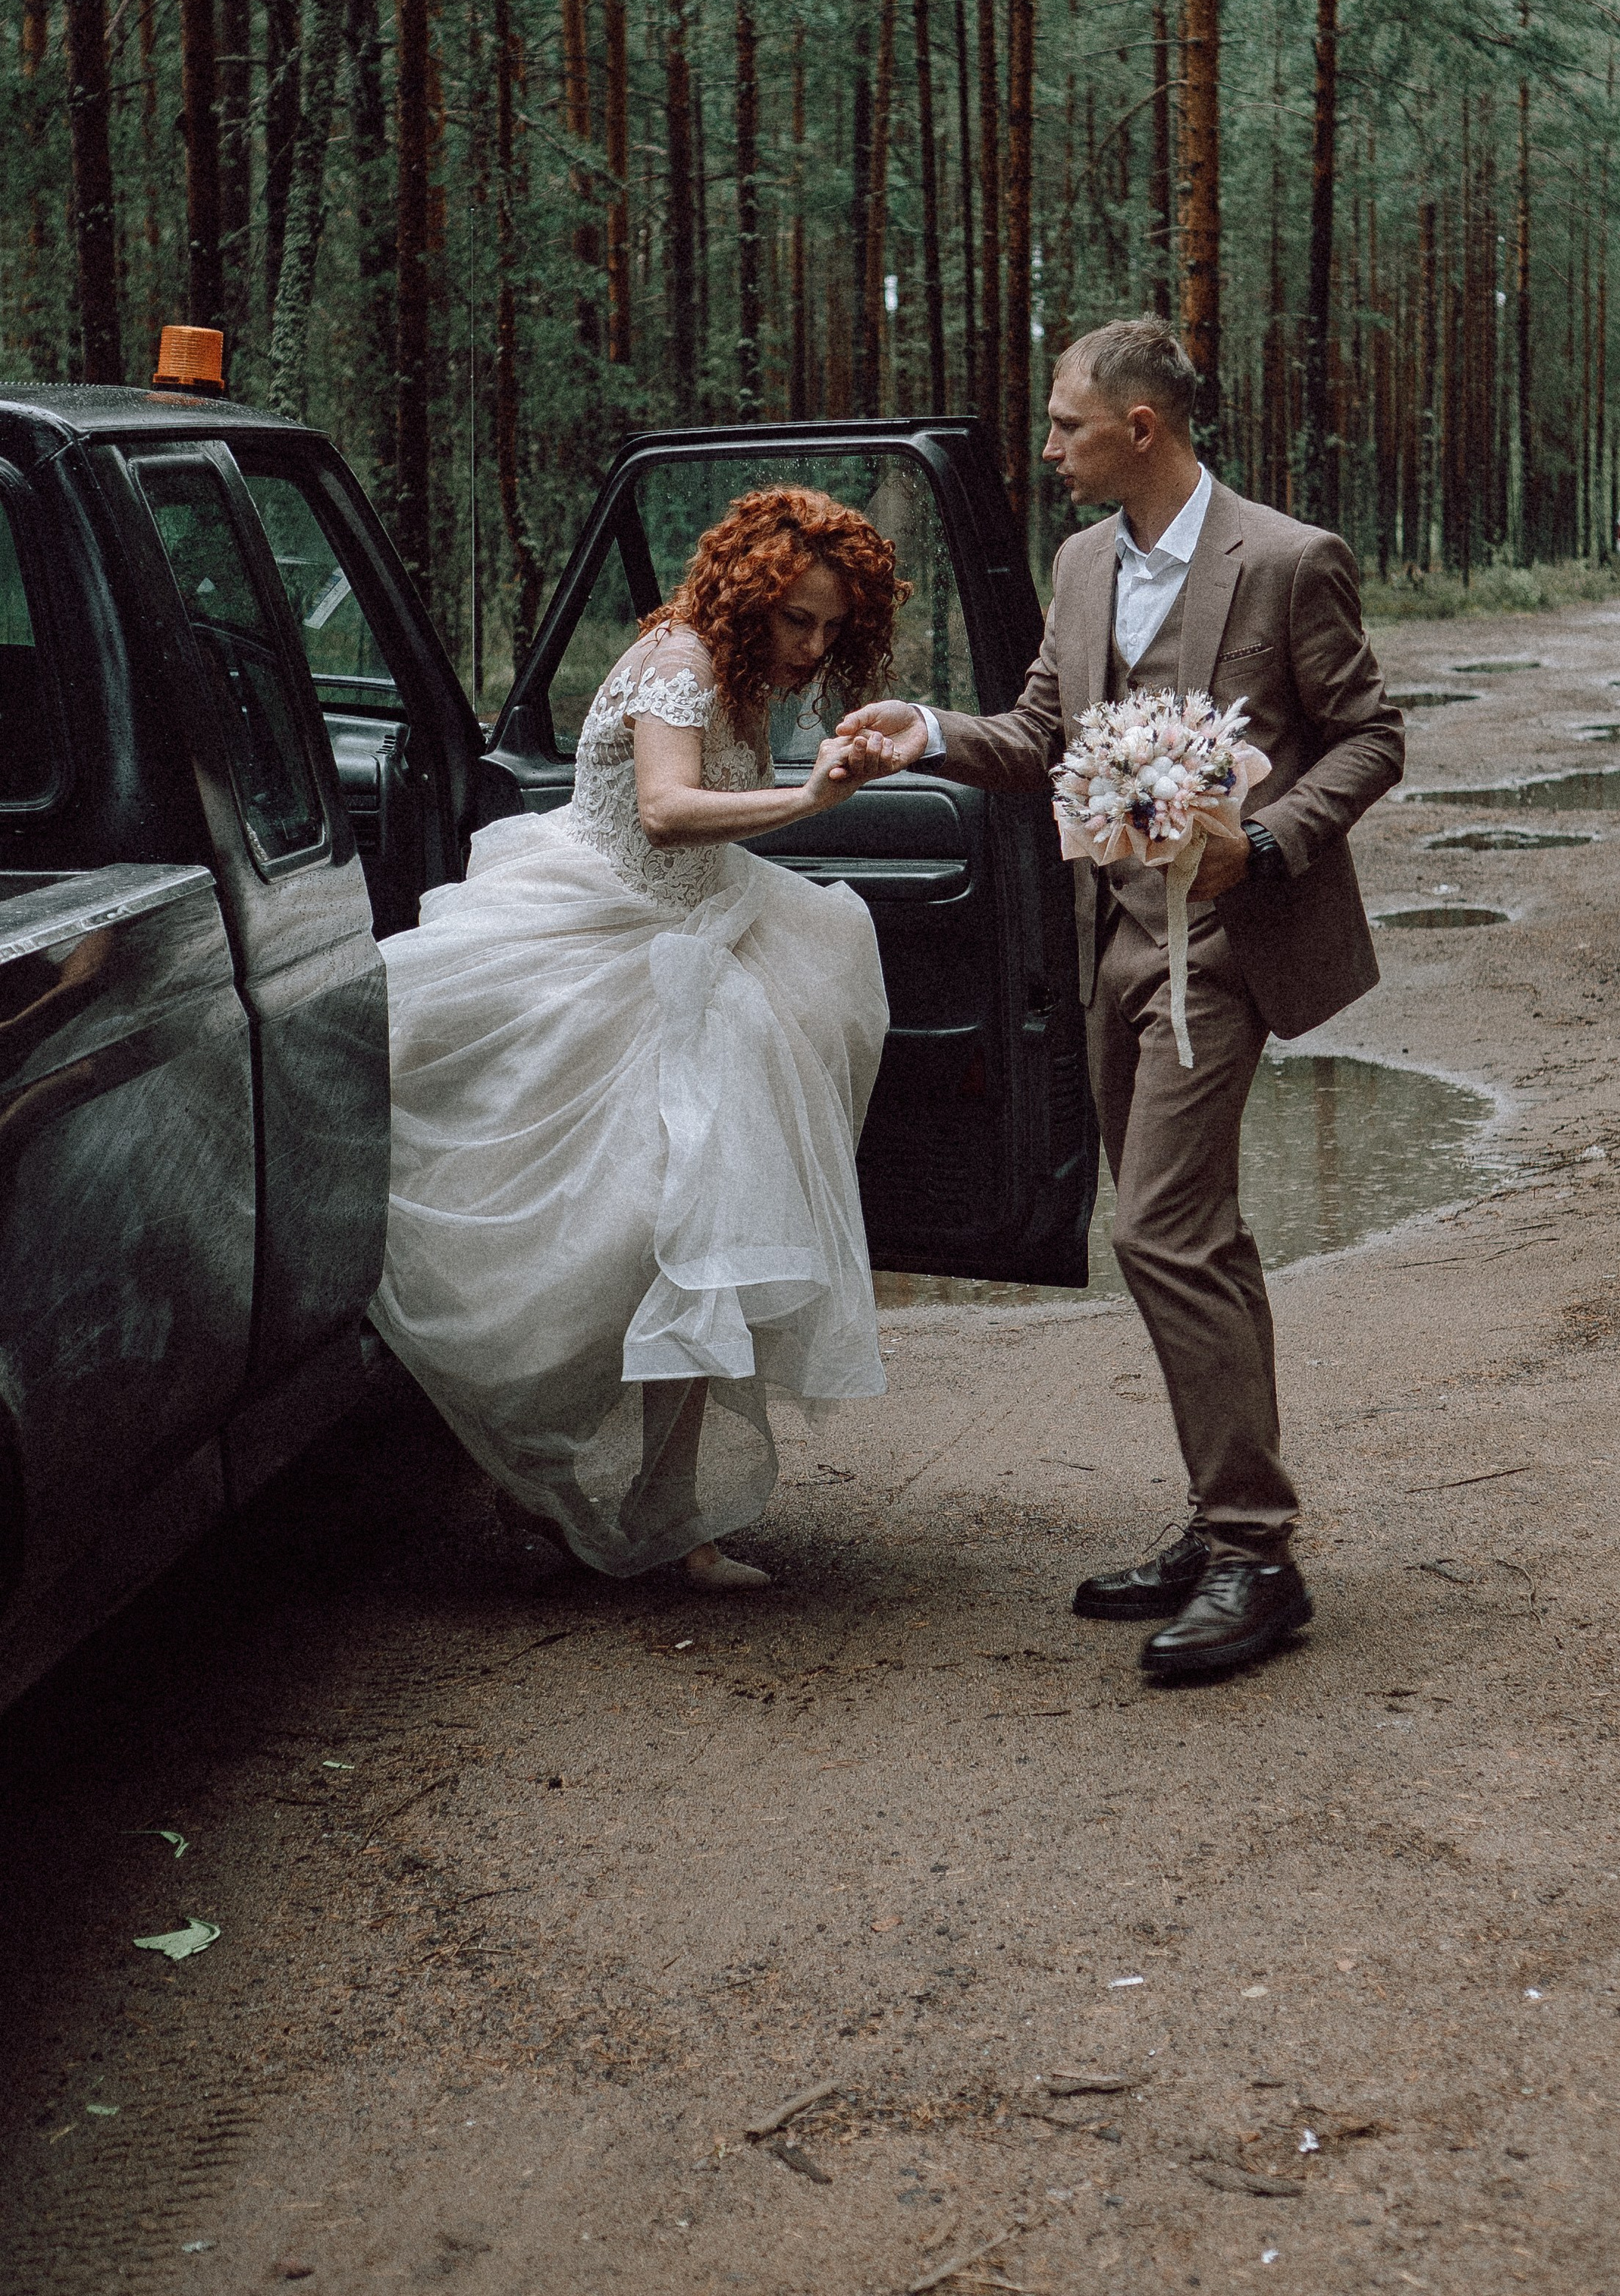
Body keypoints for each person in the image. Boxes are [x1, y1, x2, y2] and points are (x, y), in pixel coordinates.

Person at [841, 317, 1404, 1681]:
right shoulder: (1083, 563)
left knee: (1157, 1222)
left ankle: (1259, 1555)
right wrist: (924, 732)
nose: (1048, 449)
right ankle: (1224, 1528)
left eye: (1065, 425)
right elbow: (1044, 735)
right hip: (1114, 937)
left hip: (1230, 939)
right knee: (1184, 1228)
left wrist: (1261, 844)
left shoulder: (1285, 560)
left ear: (1140, 428)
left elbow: (1372, 735)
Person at [369, 484, 906, 1593]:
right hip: (596, 950)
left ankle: (672, 1512)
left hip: (705, 949)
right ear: (748, 595)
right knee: (592, 1249)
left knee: (698, 1237)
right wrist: (808, 803)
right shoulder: (681, 662)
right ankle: (543, 1471)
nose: (811, 646)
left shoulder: (752, 677)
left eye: (832, 629)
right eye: (797, 618)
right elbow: (665, 809)